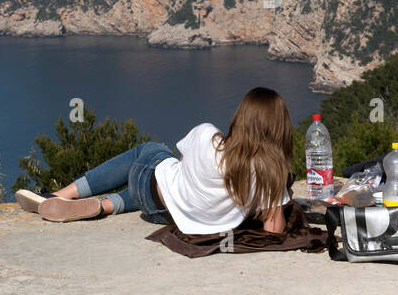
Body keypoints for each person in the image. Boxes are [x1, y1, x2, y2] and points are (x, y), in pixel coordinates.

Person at [16, 87, 294, 235]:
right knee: (173, 183)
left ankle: (59, 195)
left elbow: (184, 163)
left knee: (152, 150)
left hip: (150, 189)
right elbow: (273, 231)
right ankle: (104, 206)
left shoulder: (208, 136)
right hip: (164, 218)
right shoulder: (270, 176)